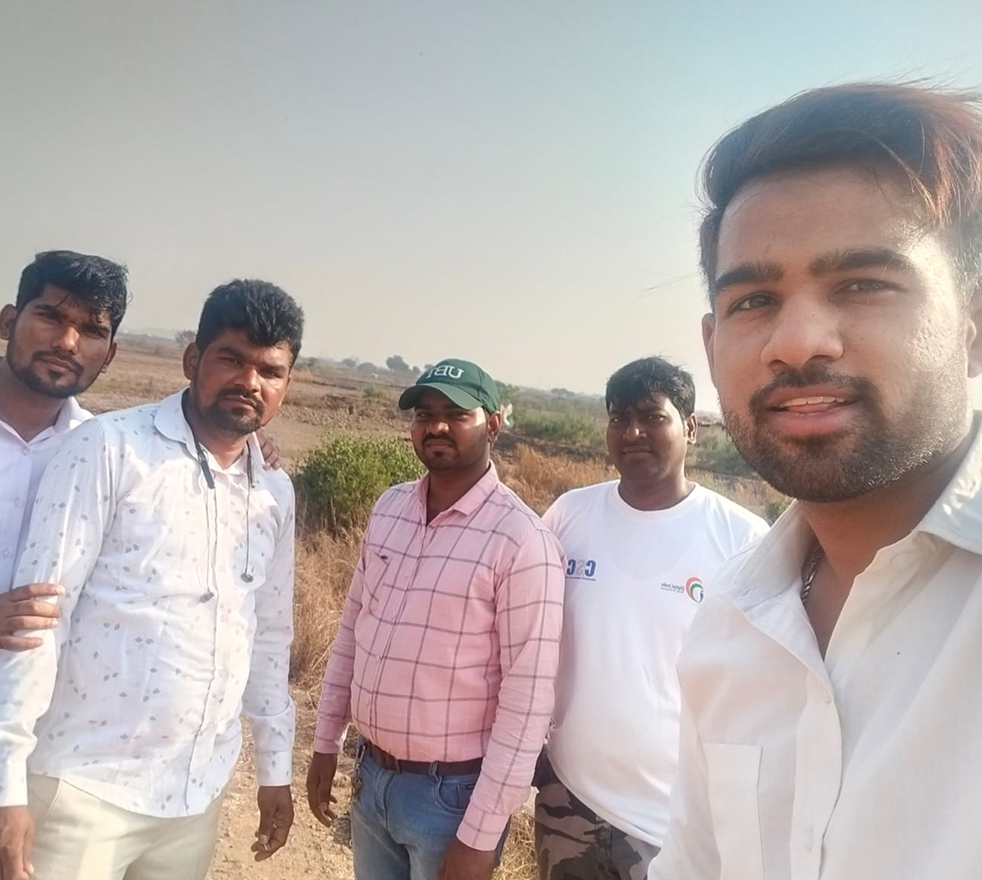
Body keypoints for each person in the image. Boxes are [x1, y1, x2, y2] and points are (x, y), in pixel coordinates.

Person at [649, 82, 982, 880]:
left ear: (973, 324)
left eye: (862, 284)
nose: (796, 342)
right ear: (712, 344)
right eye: (754, 300)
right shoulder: (729, 621)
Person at [0, 279, 304, 880]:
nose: (250, 381)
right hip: (82, 789)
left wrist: (275, 769)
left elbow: (269, 635)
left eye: (270, 370)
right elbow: (39, 621)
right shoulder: (108, 449)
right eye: (231, 359)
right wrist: (8, 784)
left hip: (193, 798)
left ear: (286, 385)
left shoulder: (273, 490)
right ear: (193, 359)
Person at [307, 358, 566, 880]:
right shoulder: (390, 509)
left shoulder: (522, 541)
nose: (437, 426)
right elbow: (353, 633)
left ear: (494, 425)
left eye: (456, 413)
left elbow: (527, 699)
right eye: (424, 414)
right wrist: (325, 741)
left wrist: (480, 835)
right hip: (372, 774)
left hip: (451, 799)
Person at [534, 356, 768, 880]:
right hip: (568, 799)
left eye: (652, 416)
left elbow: (765, 686)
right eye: (619, 417)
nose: (632, 432)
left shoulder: (741, 539)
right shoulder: (569, 516)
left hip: (675, 823)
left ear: (691, 427)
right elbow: (529, 638)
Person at [0, 251, 128, 647]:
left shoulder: (102, 451)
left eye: (91, 331)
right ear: (8, 322)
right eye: (50, 317)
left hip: (40, 682)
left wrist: (252, 444)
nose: (67, 343)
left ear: (109, 356)